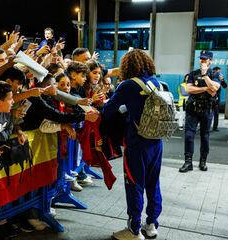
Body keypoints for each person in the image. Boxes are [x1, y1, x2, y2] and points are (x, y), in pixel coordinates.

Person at [102, 49, 163, 240]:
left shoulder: (128, 84)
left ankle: (134, 230)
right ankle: (151, 224)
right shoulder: (155, 82)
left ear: (127, 65)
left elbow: (108, 110)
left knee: (134, 184)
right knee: (153, 183)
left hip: (137, 143)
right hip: (156, 141)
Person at [179, 50, 220, 173]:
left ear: (210, 61)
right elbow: (189, 89)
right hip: (193, 110)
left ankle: (203, 162)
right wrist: (206, 88)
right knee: (189, 136)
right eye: (201, 59)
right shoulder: (192, 74)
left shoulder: (215, 74)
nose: (202, 61)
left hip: (207, 110)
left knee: (205, 137)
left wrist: (205, 75)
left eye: (205, 59)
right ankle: (188, 162)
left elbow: (215, 89)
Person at [211, 66, 227, 131]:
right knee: (208, 112)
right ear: (215, 71)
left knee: (216, 113)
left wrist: (222, 80)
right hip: (210, 98)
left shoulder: (220, 79)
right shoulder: (210, 77)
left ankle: (215, 127)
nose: (220, 73)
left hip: (217, 98)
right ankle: (205, 126)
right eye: (219, 71)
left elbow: (225, 86)